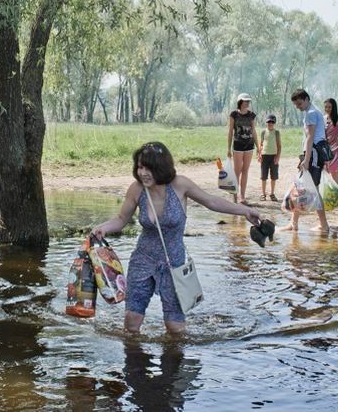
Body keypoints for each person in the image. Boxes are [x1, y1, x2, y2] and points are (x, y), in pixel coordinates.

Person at [92, 141, 261, 335]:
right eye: (140, 167)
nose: (143, 173)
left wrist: (245, 211)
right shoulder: (137, 189)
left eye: (149, 168)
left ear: (161, 167)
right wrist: (103, 228)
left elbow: (212, 201)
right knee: (131, 324)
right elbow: (121, 219)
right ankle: (135, 362)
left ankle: (174, 362)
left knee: (175, 328)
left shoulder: (180, 185)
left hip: (174, 264)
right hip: (142, 260)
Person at [281, 89, 329, 233]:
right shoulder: (316, 111)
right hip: (314, 154)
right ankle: (295, 223)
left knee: (306, 189)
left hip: (312, 154)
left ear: (307, 99)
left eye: (300, 103)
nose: (298, 107)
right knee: (304, 188)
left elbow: (310, 137)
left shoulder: (311, 114)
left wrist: (307, 159)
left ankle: (322, 226)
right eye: (296, 105)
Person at [226, 93, 260, 205]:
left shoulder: (251, 115)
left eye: (248, 101)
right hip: (238, 146)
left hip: (250, 146)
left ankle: (242, 196)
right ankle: (234, 196)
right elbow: (230, 131)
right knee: (237, 171)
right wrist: (228, 148)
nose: (247, 103)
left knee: (245, 170)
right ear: (240, 102)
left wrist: (258, 146)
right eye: (245, 101)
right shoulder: (234, 114)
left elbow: (253, 131)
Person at [257, 114, 281, 201]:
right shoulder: (263, 132)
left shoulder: (276, 132)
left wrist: (277, 157)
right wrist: (259, 154)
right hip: (264, 156)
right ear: (266, 122)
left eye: (272, 122)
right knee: (263, 176)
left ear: (274, 123)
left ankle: (272, 193)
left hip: (273, 156)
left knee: (273, 176)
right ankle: (263, 194)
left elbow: (279, 146)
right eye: (268, 122)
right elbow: (261, 144)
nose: (270, 123)